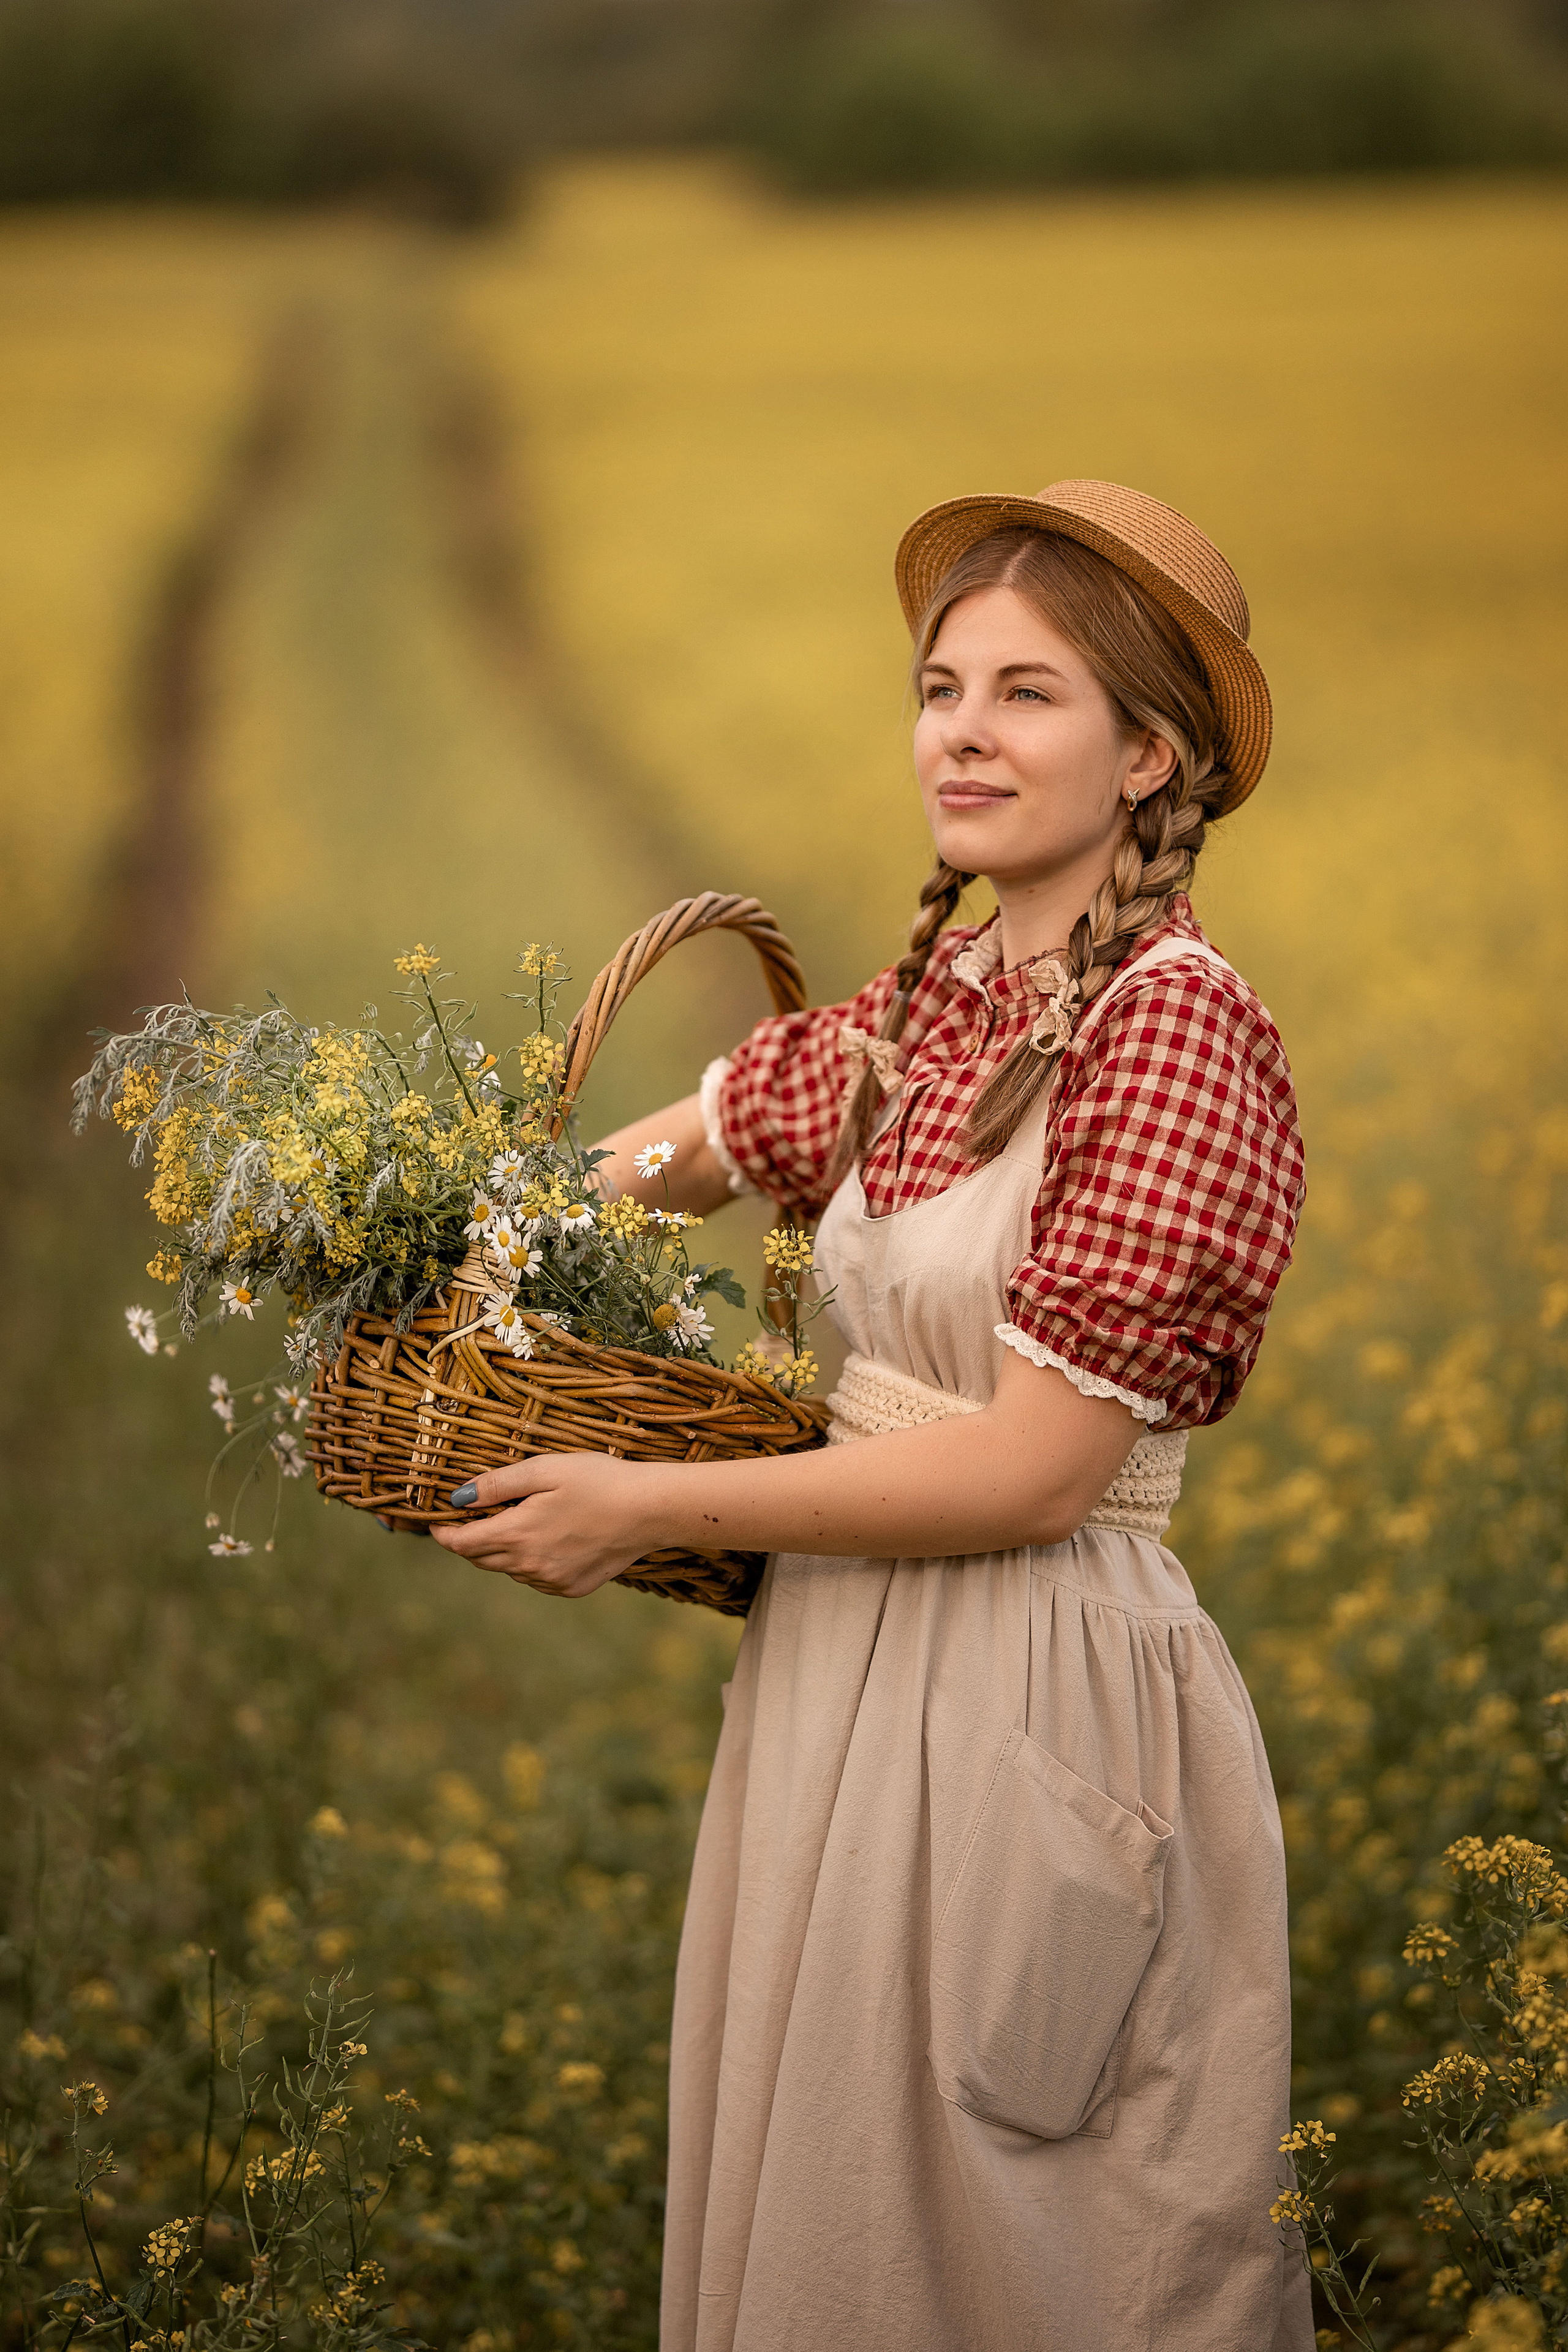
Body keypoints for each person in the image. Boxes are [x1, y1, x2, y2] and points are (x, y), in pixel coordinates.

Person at [434, 480, 1314, 2351]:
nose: (964, 733)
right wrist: (464, 1222)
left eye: (1029, 694)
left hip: (1030, 1694)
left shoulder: (1177, 1029)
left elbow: (1037, 1465)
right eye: (940, 688)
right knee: (834, 2218)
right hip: (853, 1670)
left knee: (1031, 2250)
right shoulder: (948, 999)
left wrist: (648, 1503)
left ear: (1152, 752)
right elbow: (702, 1138)